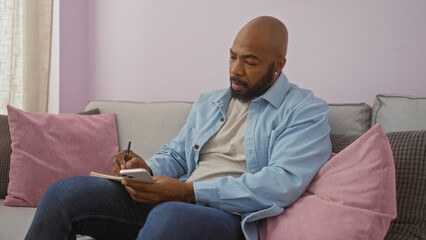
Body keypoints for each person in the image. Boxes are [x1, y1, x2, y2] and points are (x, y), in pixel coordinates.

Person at [25, 16, 331, 240]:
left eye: (250, 61)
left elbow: (281, 183)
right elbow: (178, 156)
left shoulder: (305, 111)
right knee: (64, 194)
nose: (236, 69)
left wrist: (189, 192)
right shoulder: (210, 102)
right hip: (176, 201)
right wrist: (146, 169)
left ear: (279, 64)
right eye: (232, 56)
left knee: (169, 217)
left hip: (232, 218)